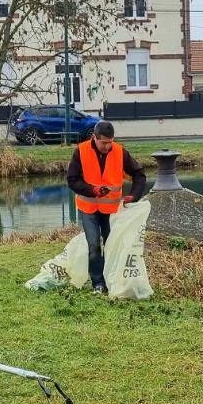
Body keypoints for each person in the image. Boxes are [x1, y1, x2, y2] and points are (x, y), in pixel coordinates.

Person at [66, 120, 148, 293]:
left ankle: (112, 280)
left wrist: (133, 196)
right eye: (104, 143)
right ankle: (98, 283)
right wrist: (92, 190)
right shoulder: (80, 151)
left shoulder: (119, 152)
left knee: (112, 246)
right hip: (88, 208)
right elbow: (72, 180)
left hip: (111, 211)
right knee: (94, 245)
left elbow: (139, 174)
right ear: (94, 138)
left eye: (110, 142)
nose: (107, 146)